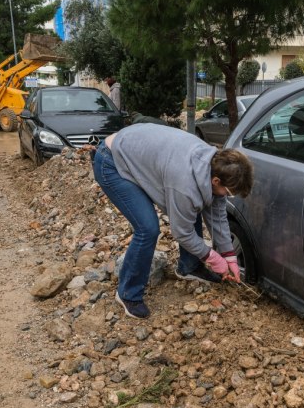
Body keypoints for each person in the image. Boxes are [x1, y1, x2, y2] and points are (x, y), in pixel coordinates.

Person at [93, 124, 254, 319]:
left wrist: (229, 256)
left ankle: (189, 267)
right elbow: (181, 232)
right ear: (216, 181)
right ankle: (128, 293)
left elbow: (218, 216)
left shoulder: (214, 165)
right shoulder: (184, 185)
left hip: (137, 150)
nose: (227, 196)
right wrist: (212, 257)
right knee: (148, 228)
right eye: (228, 192)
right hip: (112, 161)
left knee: (192, 207)